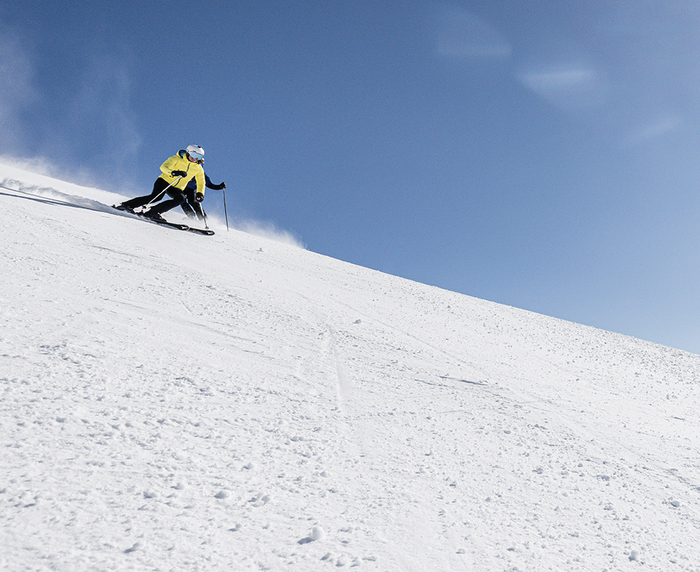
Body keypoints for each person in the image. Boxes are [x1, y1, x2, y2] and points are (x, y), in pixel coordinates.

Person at [113, 145, 206, 221]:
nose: (195, 158)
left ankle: (153, 212)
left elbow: (201, 181)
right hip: (165, 181)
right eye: (194, 154)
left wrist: (200, 193)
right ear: (188, 152)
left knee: (180, 199)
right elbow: (163, 167)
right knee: (155, 197)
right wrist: (174, 172)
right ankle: (127, 205)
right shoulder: (176, 159)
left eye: (199, 157)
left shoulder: (198, 168)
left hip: (177, 188)